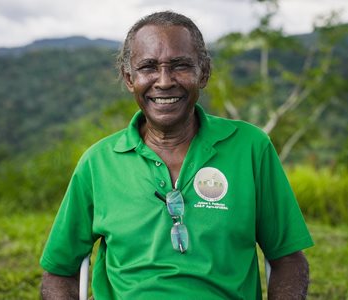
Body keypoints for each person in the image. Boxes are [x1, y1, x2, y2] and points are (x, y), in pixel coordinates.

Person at [40, 11, 314, 300]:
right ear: (129, 78)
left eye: (180, 65)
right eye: (148, 67)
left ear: (204, 73)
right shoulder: (98, 162)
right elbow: (59, 271)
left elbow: (288, 259)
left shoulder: (250, 147)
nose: (164, 81)